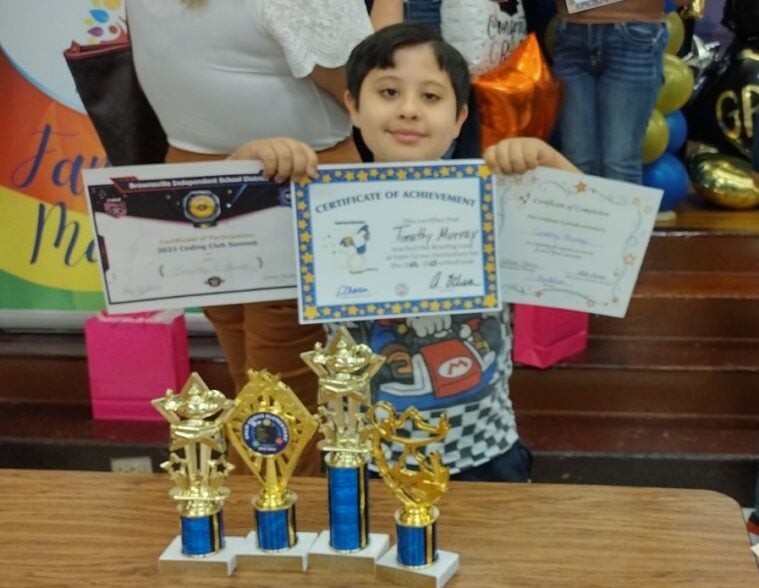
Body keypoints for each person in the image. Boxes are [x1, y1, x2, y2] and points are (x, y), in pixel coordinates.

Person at [231, 23, 577, 481]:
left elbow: (591, 244)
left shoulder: (495, 197)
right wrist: (253, 161)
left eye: (431, 97)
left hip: (485, 453)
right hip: (366, 459)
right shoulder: (318, 202)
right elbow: (224, 239)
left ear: (459, 118)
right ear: (353, 106)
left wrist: (548, 165)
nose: (409, 110)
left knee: (497, 554)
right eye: (389, 92)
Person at [126, 0, 374, 475]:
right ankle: (291, 521)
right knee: (296, 389)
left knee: (255, 378)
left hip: (196, 186)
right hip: (294, 184)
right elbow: (365, 84)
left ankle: (267, 510)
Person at [551, 0, 693, 184]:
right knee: (577, 162)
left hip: (633, 34)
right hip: (570, 34)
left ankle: (619, 213)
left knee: (619, 163)